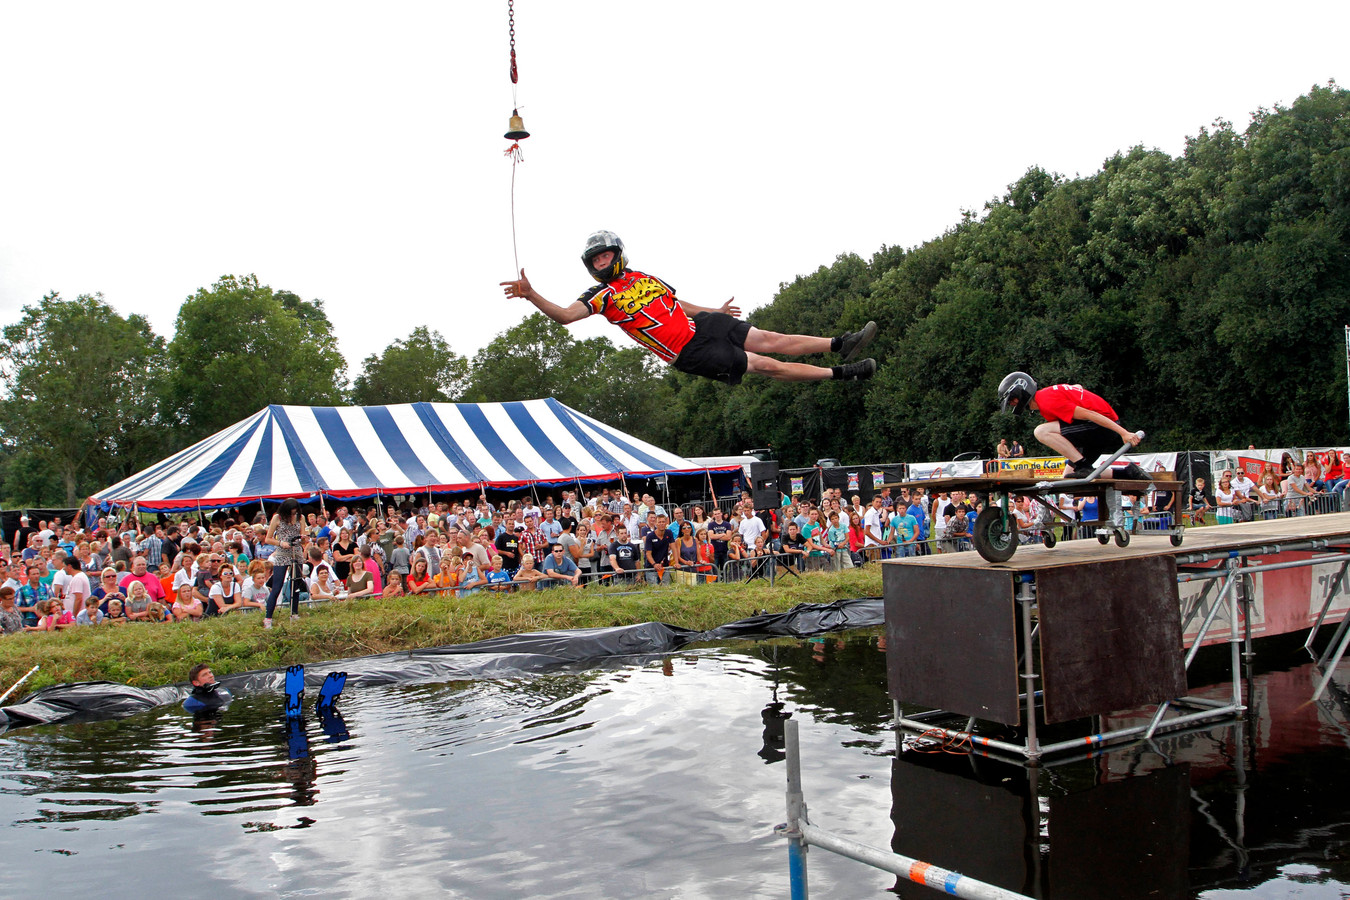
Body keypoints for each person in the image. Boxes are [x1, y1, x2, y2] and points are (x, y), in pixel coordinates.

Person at [500, 231, 877, 385]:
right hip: (688, 351)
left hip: (701, 325)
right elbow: (566, 317)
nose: (601, 262)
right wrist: (532, 294)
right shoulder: (601, 296)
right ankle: (843, 372)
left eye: (606, 255)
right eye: (595, 260)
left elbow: (677, 303)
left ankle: (841, 342)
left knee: (768, 337)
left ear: (618, 253)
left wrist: (714, 310)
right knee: (765, 365)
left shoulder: (644, 276)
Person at [997, 373, 1144, 479]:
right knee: (1069, 475)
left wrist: (1123, 433)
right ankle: (1126, 472)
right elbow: (1077, 387)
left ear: (1021, 392)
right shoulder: (1047, 396)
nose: (1012, 404)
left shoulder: (1047, 402)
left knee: (1041, 431)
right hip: (1094, 427)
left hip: (1101, 426)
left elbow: (1089, 414)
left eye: (1012, 400)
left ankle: (1083, 465)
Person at [263, 498, 304, 628]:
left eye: (295, 512)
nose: (293, 515)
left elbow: (303, 534)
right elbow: (268, 539)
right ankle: (268, 618)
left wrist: (304, 537)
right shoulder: (277, 518)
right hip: (282, 553)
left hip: (296, 552)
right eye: (291, 513)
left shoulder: (300, 517)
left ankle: (294, 613)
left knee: (296, 584)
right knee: (277, 586)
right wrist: (280, 543)